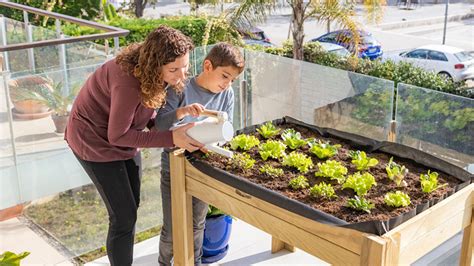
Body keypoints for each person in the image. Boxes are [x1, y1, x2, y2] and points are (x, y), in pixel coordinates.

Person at [64, 25, 204, 266]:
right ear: (155, 64)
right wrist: (172, 138)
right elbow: (117, 136)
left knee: (131, 207)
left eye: (185, 67)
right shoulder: (127, 82)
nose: (181, 76)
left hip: (122, 136)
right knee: (123, 218)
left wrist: (178, 113)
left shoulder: (152, 70)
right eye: (174, 70)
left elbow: (144, 119)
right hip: (94, 142)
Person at [155, 42, 245, 265]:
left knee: (197, 224)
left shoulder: (228, 94)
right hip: (174, 168)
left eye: (232, 79)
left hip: (203, 170)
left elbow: (227, 129)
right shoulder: (180, 88)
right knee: (173, 228)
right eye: (224, 76)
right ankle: (165, 263)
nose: (227, 84)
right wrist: (183, 112)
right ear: (207, 65)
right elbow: (159, 126)